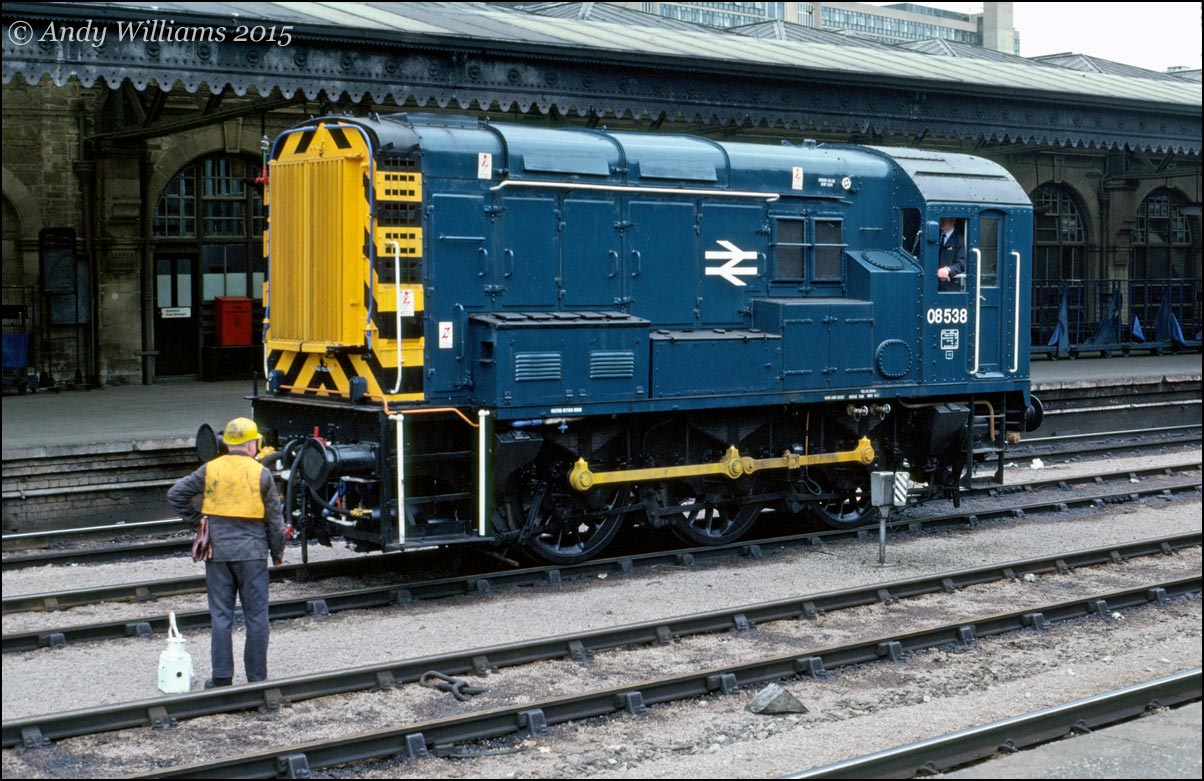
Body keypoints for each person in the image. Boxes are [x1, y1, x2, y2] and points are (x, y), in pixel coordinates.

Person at [168, 417, 285, 688]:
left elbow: (176, 494)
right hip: (252, 552)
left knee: (221, 616)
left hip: (218, 551)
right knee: (256, 617)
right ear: (251, 444)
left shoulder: (211, 468)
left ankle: (221, 678)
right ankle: (256, 678)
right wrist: (277, 553)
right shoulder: (261, 473)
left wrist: (198, 520)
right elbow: (275, 522)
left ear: (227, 443)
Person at [936, 216, 966, 292]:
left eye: (945, 219)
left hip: (950, 286)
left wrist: (948, 269)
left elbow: (962, 263)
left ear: (953, 220)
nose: (942, 221)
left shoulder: (960, 239)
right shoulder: (935, 236)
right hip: (933, 285)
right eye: (941, 219)